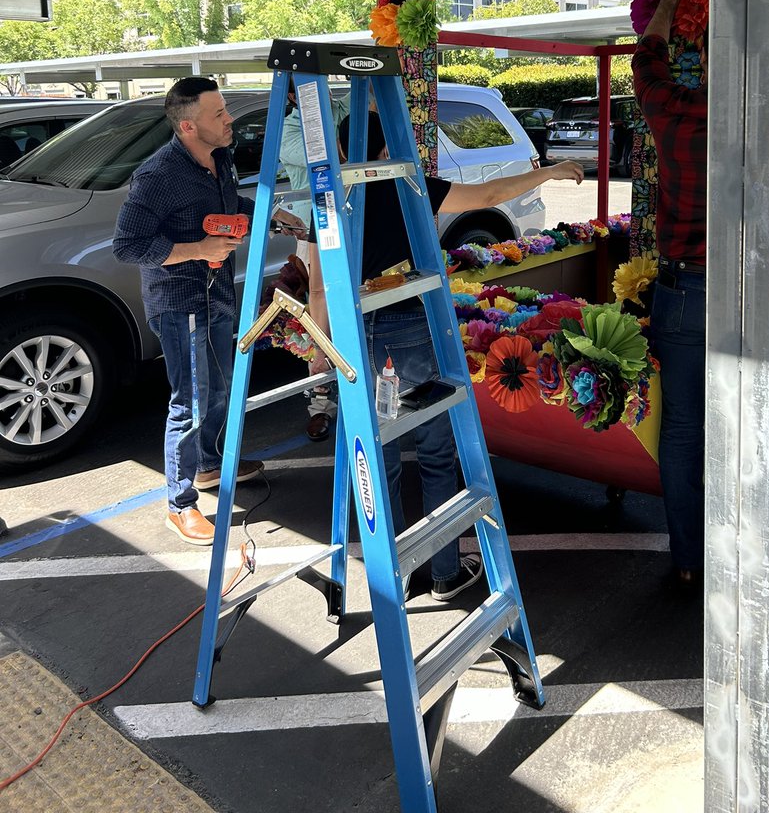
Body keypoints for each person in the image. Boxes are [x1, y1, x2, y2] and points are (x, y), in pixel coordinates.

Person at [306, 110, 584, 601]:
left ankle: (391, 572)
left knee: (379, 456)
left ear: (344, 151)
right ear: (389, 148)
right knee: (436, 452)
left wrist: (317, 350)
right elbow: (490, 196)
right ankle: (443, 571)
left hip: (354, 333)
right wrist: (548, 171)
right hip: (407, 325)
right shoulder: (408, 185)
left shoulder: (328, 199)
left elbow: (319, 288)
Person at [113, 77, 304, 546]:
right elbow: (127, 246)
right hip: (179, 303)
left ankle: (209, 466)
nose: (229, 120)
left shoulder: (219, 158)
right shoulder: (157, 176)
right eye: (219, 114)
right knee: (191, 401)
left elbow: (227, 204)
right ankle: (179, 506)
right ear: (187, 126)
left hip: (217, 295)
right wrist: (197, 248)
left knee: (219, 388)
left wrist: (270, 214)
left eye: (225, 110)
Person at [631, 0, 708, 591]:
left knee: (681, 425)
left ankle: (687, 559)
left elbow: (646, 58)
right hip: (748, 294)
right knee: (744, 420)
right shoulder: (764, 124)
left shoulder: (674, 114)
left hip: (684, 292)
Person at [279, 85, 351, 441]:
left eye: (320, 84)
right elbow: (325, 159)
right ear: (293, 97)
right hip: (315, 233)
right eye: (306, 88)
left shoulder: (341, 108)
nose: (316, 93)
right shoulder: (291, 132)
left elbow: (369, 99)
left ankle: (363, 398)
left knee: (359, 310)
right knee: (319, 313)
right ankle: (320, 403)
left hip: (355, 226)